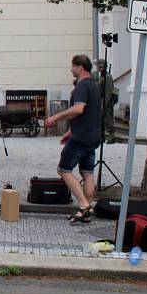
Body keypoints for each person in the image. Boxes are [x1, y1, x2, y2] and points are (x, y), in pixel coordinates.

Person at [45, 55, 102, 224]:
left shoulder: (82, 86)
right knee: (87, 172)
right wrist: (70, 130)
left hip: (81, 138)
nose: (71, 70)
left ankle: (83, 205)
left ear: (80, 68)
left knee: (63, 170)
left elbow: (78, 110)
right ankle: (88, 208)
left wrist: (55, 118)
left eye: (73, 67)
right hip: (92, 136)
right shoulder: (94, 85)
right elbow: (89, 113)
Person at [93, 59, 118, 144]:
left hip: (106, 102)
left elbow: (108, 92)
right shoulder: (102, 76)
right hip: (101, 101)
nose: (97, 68)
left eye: (98, 66)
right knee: (101, 121)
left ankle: (112, 137)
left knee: (108, 120)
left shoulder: (107, 77)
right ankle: (102, 137)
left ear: (101, 66)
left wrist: (104, 104)